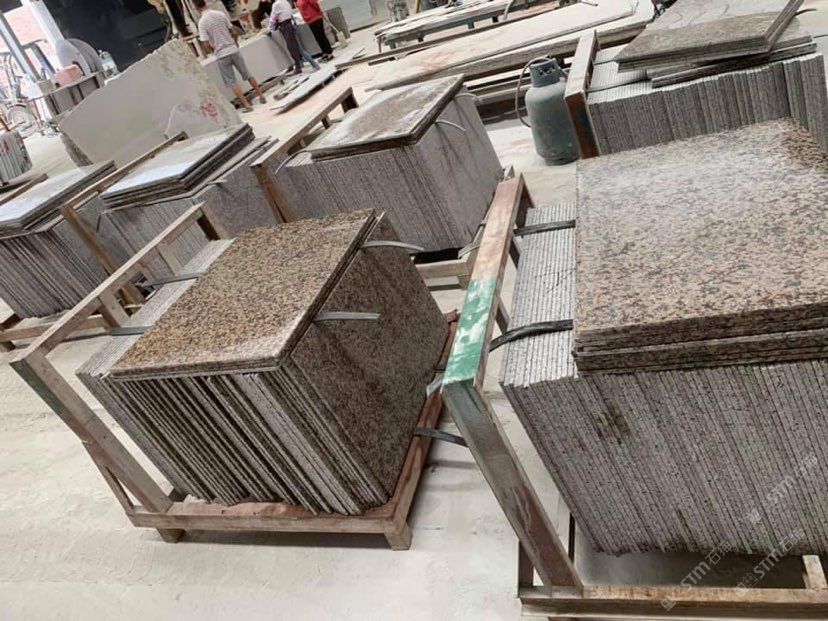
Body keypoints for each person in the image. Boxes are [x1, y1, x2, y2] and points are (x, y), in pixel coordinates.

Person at [195, 0, 266, 112]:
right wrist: (235, 43)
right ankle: (261, 95)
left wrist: (214, 51)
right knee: (247, 74)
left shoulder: (202, 23)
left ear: (197, 8)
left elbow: (206, 44)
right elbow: (234, 32)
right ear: (205, 3)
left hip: (221, 54)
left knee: (232, 82)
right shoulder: (220, 14)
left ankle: (247, 105)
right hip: (233, 49)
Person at [269, 0, 319, 75]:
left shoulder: (276, 5)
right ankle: (298, 68)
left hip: (286, 27)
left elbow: (273, 19)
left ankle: (314, 65)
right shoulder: (286, 2)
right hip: (291, 24)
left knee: (297, 48)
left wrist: (270, 29)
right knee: (294, 48)